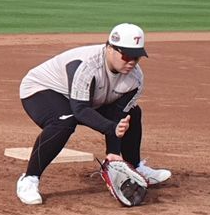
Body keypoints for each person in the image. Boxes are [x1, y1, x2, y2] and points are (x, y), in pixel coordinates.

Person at [15, 23, 171, 205]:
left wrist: (113, 152)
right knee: (65, 121)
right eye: (126, 55)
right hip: (42, 90)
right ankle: (29, 179)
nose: (131, 62)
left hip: (90, 98)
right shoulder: (86, 66)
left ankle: (135, 167)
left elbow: (118, 114)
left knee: (133, 113)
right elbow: (80, 110)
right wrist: (111, 128)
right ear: (110, 48)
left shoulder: (135, 79)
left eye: (136, 57)